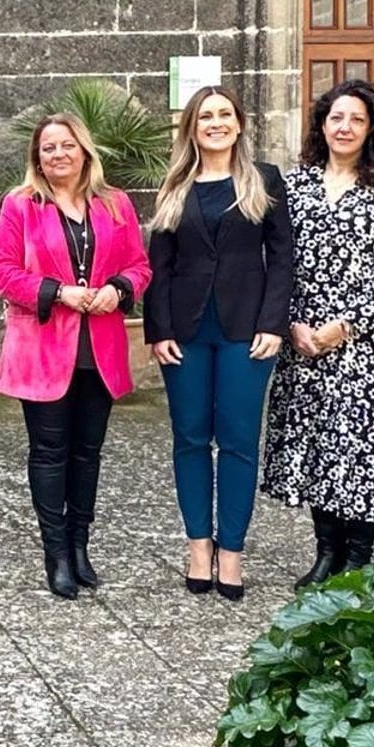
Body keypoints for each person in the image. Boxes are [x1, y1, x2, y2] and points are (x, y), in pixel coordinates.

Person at [0, 114, 152, 598]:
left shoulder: (115, 204)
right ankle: (55, 552)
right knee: (50, 452)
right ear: (37, 158)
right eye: (47, 148)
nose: (57, 155)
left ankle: (80, 545)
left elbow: (139, 266)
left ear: (84, 150)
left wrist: (118, 289)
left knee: (88, 452)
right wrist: (56, 291)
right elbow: (0, 272)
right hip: (42, 351)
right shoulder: (21, 206)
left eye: (66, 146)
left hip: (99, 348)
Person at [262, 81, 374, 582]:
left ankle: (357, 561)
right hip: (303, 340)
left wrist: (344, 326)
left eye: (355, 118)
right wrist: (292, 323)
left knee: (362, 449)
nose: (344, 127)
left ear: (371, 127)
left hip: (364, 344)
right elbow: (277, 258)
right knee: (318, 448)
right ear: (321, 126)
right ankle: (326, 553)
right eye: (335, 118)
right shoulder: (296, 183)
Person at [145, 85, 291, 600]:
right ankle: (198, 547)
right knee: (189, 439)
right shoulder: (175, 185)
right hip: (185, 333)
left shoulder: (263, 180)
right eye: (205, 115)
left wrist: (273, 324)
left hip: (244, 331)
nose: (216, 123)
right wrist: (157, 330)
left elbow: (283, 259)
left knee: (236, 442)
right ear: (191, 126)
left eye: (224, 114)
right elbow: (157, 268)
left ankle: (232, 551)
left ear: (239, 122)